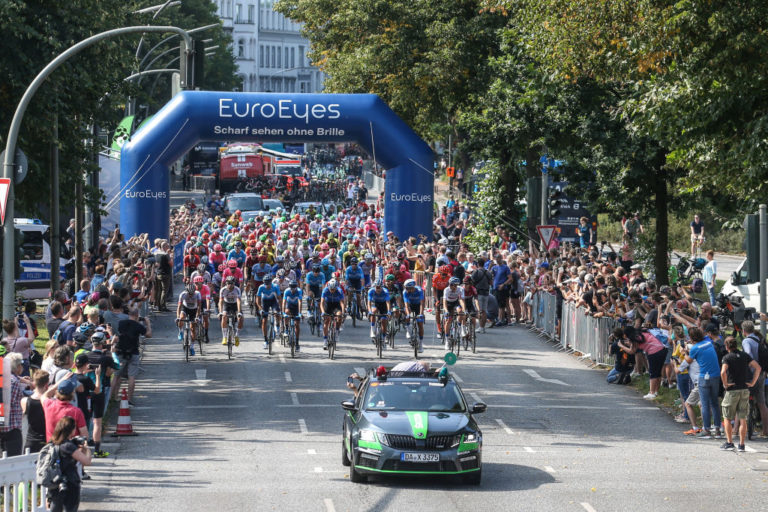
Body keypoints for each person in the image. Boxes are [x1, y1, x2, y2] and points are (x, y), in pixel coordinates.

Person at [720, 336, 761, 451]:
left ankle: (729, 442)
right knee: (743, 418)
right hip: (744, 389)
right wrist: (752, 382)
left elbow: (723, 372)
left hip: (732, 390)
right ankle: (742, 445)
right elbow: (758, 367)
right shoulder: (744, 356)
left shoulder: (727, 357)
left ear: (727, 346)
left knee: (727, 417)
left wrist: (725, 384)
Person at [684, 326, 723, 439]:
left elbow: (689, 361)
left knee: (705, 404)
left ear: (691, 338)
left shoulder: (695, 348)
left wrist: (685, 353)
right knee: (714, 403)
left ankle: (706, 430)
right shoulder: (708, 343)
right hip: (716, 376)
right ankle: (717, 429)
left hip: (704, 377)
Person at [46, 416, 92, 512]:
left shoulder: (52, 443)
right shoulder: (68, 446)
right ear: (71, 430)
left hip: (55, 483)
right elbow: (87, 462)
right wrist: (86, 449)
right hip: (70, 483)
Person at [115, 308, 151, 405]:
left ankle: (112, 397)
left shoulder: (121, 323)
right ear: (137, 315)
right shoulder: (138, 326)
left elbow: (117, 333)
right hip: (133, 352)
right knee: (131, 377)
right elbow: (148, 334)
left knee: (116, 375)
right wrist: (147, 323)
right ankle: (129, 399)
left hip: (121, 352)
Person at [618, 326, 666, 399]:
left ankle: (652, 392)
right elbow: (639, 344)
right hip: (662, 349)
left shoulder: (634, 338)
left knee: (653, 373)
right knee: (658, 372)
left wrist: (621, 345)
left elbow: (632, 351)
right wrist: (630, 343)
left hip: (654, 351)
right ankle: (656, 391)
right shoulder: (640, 332)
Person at [0, 353, 33, 456]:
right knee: (12, 460)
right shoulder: (13, 382)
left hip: (3, 427)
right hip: (10, 429)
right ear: (17, 367)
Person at [740, 321, 768, 436]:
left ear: (743, 331)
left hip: (751, 374)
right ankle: (765, 430)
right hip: (762, 374)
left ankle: (738, 429)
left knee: (742, 400)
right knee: (762, 402)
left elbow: (748, 354)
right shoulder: (759, 338)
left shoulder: (746, 340)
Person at [42, 376, 89, 442]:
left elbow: (44, 395)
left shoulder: (48, 404)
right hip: (70, 449)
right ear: (72, 393)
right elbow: (84, 435)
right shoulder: (76, 411)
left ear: (57, 392)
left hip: (52, 449)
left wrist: (60, 382)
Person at [22, 369, 50, 453]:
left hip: (30, 442)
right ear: (46, 384)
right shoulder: (50, 402)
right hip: (45, 442)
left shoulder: (25, 401)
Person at [176, 282, 202, 356]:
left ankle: (192, 347)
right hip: (185, 308)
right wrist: (178, 317)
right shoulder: (182, 294)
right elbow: (179, 307)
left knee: (193, 328)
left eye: (192, 294)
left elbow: (199, 307)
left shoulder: (197, 294)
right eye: (189, 294)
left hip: (194, 310)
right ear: (186, 291)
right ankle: (180, 331)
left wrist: (197, 317)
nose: (190, 295)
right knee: (181, 318)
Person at [219, 275, 244, 346]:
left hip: (235, 304)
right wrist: (220, 312)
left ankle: (237, 336)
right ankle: (224, 337)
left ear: (234, 283)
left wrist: (239, 312)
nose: (230, 285)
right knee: (224, 317)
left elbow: (239, 301)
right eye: (228, 283)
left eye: (231, 283)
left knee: (241, 318)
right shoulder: (223, 290)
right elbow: (220, 301)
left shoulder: (237, 289)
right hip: (227, 305)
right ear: (226, 283)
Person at [322, 279, 346, 349]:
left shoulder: (339, 291)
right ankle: (325, 340)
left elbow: (342, 303)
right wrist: (323, 312)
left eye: (334, 289)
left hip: (336, 305)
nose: (332, 291)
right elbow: (322, 303)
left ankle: (337, 332)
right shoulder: (325, 290)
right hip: (328, 305)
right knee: (326, 322)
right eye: (331, 289)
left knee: (339, 316)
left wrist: (343, 313)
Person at [282, 280, 303, 351]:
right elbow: (284, 302)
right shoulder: (287, 291)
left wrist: (300, 313)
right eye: (291, 288)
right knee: (286, 312)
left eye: (294, 288)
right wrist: (283, 313)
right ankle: (287, 329)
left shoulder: (299, 291)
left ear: (296, 287)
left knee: (297, 324)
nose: (293, 290)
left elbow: (300, 302)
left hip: (296, 307)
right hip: (289, 306)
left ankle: (297, 343)